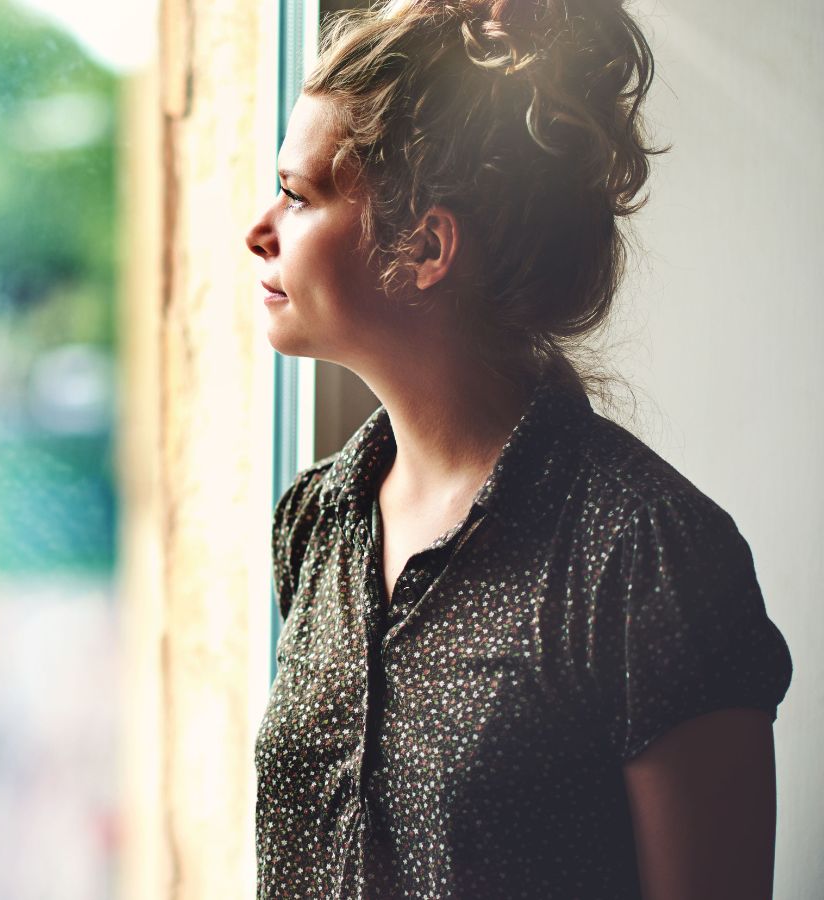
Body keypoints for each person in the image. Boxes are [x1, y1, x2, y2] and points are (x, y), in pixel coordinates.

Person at [243, 1, 792, 897]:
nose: (259, 229)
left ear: (424, 246)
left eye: (299, 194)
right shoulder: (315, 523)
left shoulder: (649, 560)